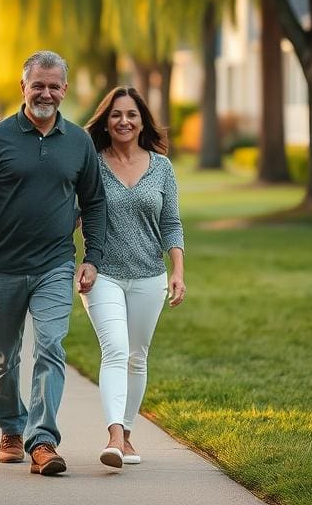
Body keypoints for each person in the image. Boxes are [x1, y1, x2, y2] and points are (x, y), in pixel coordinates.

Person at [0, 50, 107, 476]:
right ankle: (11, 428)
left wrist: (91, 257)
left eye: (53, 85)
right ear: (22, 88)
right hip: (1, 266)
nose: (45, 92)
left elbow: (94, 204)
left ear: (65, 89)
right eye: (37, 84)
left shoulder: (79, 142)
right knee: (3, 358)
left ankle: (43, 441)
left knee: (50, 347)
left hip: (55, 265)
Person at [80, 86, 186, 469]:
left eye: (132, 115)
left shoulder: (161, 167)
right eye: (116, 115)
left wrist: (177, 272)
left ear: (143, 122)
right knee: (117, 351)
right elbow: (74, 215)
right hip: (103, 274)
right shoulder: (91, 163)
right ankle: (112, 436)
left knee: (137, 358)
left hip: (149, 276)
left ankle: (126, 433)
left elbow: (171, 223)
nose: (124, 121)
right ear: (105, 123)